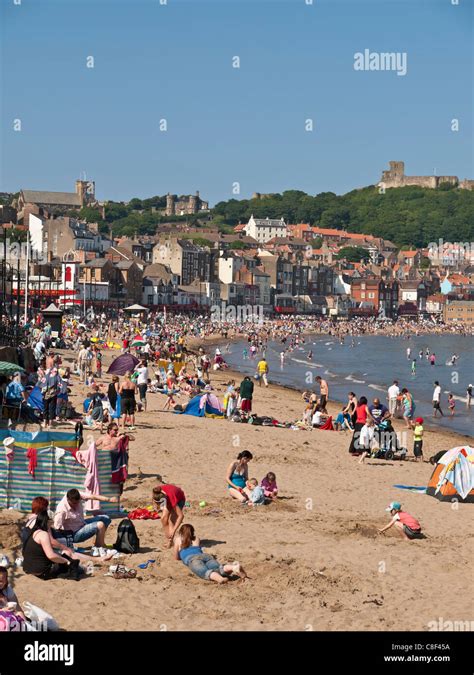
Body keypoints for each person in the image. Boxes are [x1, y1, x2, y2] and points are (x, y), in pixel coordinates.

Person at [174, 524, 247, 584]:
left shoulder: (178, 539)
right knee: (219, 568)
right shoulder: (196, 538)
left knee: (204, 572)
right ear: (192, 532)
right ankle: (233, 567)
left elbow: (176, 557)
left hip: (192, 559)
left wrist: (182, 556)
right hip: (205, 556)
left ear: (181, 532)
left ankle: (220, 579)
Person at [53, 488, 118, 554]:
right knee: (100, 525)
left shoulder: (77, 494)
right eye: (74, 503)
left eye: (78, 502)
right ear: (68, 499)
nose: (76, 505)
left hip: (82, 524)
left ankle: (98, 544)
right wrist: (64, 546)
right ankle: (99, 547)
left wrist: (109, 499)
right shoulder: (61, 510)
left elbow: (93, 496)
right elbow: (56, 529)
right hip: (74, 534)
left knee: (106, 518)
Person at [23, 510, 80, 580]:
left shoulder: (34, 532)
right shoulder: (43, 534)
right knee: (69, 562)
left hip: (28, 569)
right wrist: (66, 561)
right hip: (42, 572)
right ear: (47, 521)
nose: (51, 525)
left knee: (63, 558)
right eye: (51, 522)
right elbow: (51, 556)